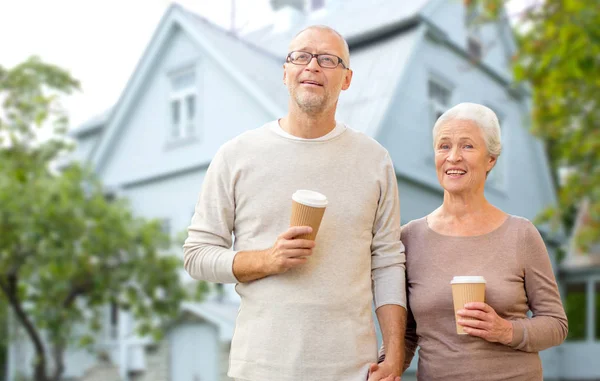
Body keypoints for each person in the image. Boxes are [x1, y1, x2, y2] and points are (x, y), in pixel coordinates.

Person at [183, 25, 406, 381]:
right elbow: (197, 255)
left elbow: (388, 262)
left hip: (352, 369)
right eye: (300, 56)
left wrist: (395, 353)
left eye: (328, 60)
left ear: (346, 79)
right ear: (285, 72)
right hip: (261, 368)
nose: (312, 66)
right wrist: (267, 260)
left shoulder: (375, 160)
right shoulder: (236, 155)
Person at [393, 102, 568, 380]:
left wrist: (505, 330)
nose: (453, 157)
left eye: (467, 146)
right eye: (444, 146)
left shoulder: (521, 234)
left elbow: (556, 324)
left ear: (491, 159)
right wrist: (384, 367)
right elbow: (406, 334)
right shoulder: (410, 238)